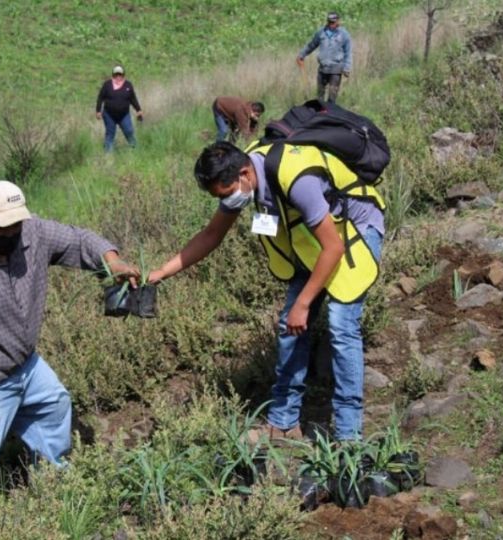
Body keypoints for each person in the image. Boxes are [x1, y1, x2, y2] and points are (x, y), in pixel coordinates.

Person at [0, 180, 139, 507]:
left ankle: (52, 485)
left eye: (16, 225)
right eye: (2, 228)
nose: (11, 234)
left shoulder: (31, 233)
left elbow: (79, 240)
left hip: (26, 367)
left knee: (54, 406)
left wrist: (112, 262)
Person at [148, 141, 385, 443]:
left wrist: (304, 302)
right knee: (291, 328)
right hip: (311, 236)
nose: (227, 202)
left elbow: (334, 247)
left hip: (355, 228)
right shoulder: (243, 179)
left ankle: (349, 435)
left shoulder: (297, 180)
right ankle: (284, 423)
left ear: (245, 173)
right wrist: (161, 272)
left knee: (341, 324)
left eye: (226, 194)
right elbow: (211, 235)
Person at [296, 12, 352, 103]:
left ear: (338, 21)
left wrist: (347, 68)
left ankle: (331, 114)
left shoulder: (344, 34)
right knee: (320, 96)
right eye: (329, 22)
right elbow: (311, 45)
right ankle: (320, 115)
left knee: (332, 96)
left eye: (333, 22)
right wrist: (301, 55)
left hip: (336, 69)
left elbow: (348, 52)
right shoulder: (321, 32)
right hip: (322, 68)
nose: (331, 24)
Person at [95, 65, 143, 152]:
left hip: (124, 115)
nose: (118, 77)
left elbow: (133, 99)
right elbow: (100, 98)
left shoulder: (128, 85)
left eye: (120, 74)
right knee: (110, 134)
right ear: (113, 75)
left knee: (129, 131)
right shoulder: (107, 85)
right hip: (109, 115)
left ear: (123, 75)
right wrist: (98, 111)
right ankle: (108, 157)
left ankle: (136, 150)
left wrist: (138, 110)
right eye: (116, 74)